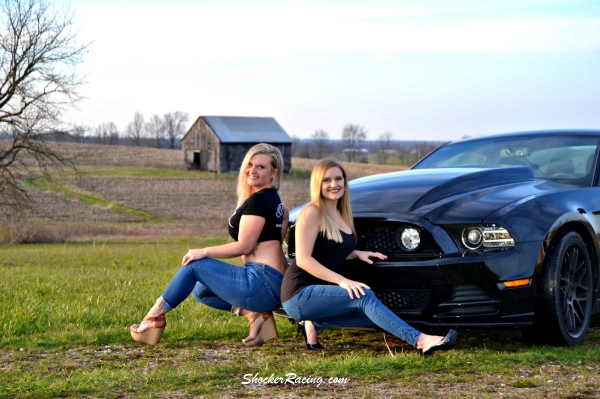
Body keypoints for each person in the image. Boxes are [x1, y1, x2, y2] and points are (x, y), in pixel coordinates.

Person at [280, 159, 457, 355]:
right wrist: (342, 281)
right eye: (326, 180)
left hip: (319, 291)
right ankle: (420, 340)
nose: (334, 184)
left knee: (374, 313)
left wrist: (356, 253)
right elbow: (304, 259)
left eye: (339, 179)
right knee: (364, 297)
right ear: (317, 184)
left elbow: (327, 249)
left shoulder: (341, 213)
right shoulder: (311, 213)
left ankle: (315, 324)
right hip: (299, 293)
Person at [131, 143, 289, 346]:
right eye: (250, 164)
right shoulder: (274, 200)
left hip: (260, 282)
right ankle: (255, 316)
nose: (252, 170)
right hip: (273, 284)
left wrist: (203, 251)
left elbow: (245, 246)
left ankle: (154, 317)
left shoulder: (259, 201)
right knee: (200, 290)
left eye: (261, 167)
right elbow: (282, 220)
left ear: (274, 172)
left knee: (195, 265)